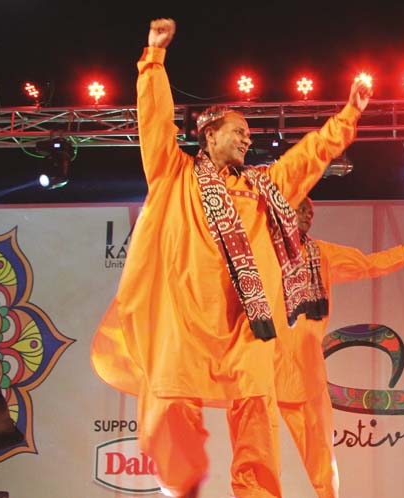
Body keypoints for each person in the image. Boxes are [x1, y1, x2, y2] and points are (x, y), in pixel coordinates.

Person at [90, 18, 372, 498]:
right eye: (238, 131)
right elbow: (153, 121)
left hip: (249, 326)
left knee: (258, 415)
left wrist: (349, 114)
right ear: (209, 134)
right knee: (175, 421)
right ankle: (179, 488)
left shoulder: (264, 187)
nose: (246, 138)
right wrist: (153, 60)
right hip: (187, 322)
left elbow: (310, 155)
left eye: (248, 134)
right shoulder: (174, 174)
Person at [274, 197, 404, 498]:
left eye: (310, 212)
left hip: (305, 365)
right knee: (258, 446)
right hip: (264, 361)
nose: (307, 216)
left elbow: (366, 264)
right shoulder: (263, 251)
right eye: (300, 209)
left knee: (319, 448)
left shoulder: (322, 255)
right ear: (283, 212)